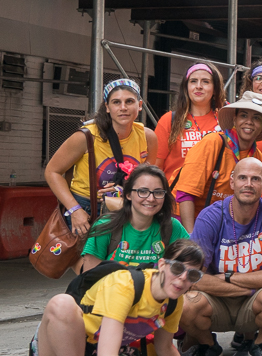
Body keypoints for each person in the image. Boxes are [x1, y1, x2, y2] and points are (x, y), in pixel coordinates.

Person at [26, 240, 205, 356]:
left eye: (192, 275)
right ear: (161, 264)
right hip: (59, 352)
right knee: (62, 303)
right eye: (177, 268)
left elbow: (165, 347)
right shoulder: (125, 284)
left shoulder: (174, 301)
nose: (182, 278)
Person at [180, 158, 262, 356]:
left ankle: (260, 344)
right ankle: (208, 346)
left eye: (255, 179)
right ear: (232, 182)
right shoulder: (211, 216)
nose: (248, 184)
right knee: (185, 304)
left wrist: (229, 277)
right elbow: (192, 277)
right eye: (242, 177)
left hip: (253, 301)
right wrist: (244, 286)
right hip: (218, 301)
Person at [44, 78, 157, 246]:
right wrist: (75, 210)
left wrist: (123, 189)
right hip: (87, 208)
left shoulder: (147, 136)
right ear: (107, 107)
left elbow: (149, 180)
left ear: (139, 105)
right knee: (90, 268)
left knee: (122, 266)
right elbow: (52, 172)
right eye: (116, 102)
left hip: (126, 206)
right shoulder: (86, 137)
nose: (123, 107)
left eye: (129, 101)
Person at [173, 91, 262, 232]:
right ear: (235, 119)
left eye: (257, 118)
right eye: (244, 115)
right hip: (183, 219)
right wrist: (190, 238)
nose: (249, 122)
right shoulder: (212, 143)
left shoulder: (256, 157)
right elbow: (185, 193)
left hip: (216, 223)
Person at [79, 165, 190, 271]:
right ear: (128, 194)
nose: (151, 198)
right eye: (143, 191)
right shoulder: (104, 226)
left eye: (158, 192)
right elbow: (88, 280)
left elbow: (189, 268)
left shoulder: (172, 226)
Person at [154, 63, 225, 181]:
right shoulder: (169, 120)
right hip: (175, 196)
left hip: (214, 196)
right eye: (193, 81)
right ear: (186, 88)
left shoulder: (224, 120)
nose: (198, 86)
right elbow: (156, 167)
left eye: (205, 81)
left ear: (215, 88)